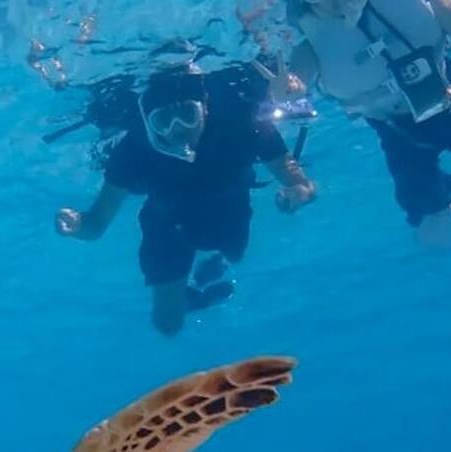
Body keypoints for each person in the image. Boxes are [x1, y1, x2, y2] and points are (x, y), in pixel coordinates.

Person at [274, 0, 451, 247]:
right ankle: (440, 199)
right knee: (420, 204)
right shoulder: (310, 44)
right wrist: (288, 90)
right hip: (397, 128)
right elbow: (296, 83)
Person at [55, 63, 317, 336]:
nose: (177, 130)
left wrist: (300, 193)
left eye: (187, 114)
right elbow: (96, 224)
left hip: (229, 207)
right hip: (166, 223)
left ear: (205, 108)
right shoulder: (133, 150)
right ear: (148, 122)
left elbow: (301, 182)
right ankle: (196, 295)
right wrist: (76, 225)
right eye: (163, 121)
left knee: (235, 253)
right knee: (168, 323)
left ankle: (208, 271)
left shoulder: (243, 123)